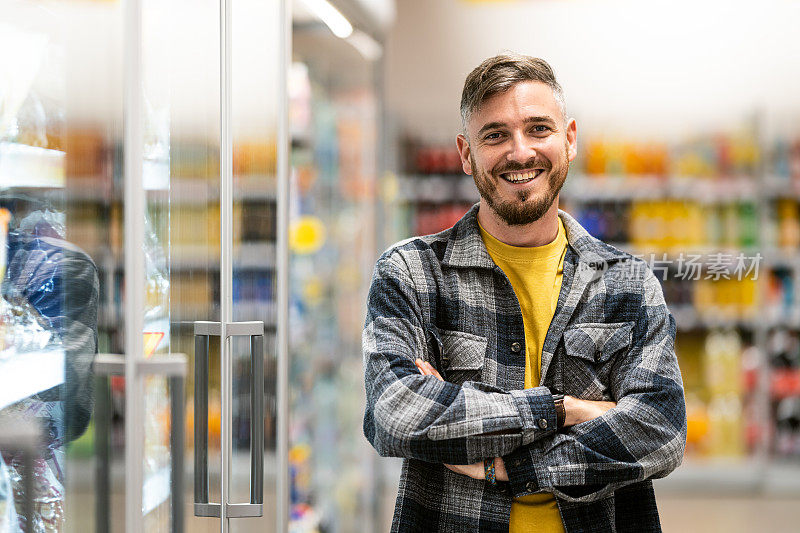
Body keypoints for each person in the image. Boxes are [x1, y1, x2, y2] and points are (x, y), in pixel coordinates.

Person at [362, 53, 686, 532]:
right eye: (495, 135)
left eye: (539, 129)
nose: (520, 152)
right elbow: (397, 416)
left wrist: (508, 464)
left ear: (569, 139)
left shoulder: (627, 282)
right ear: (466, 152)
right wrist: (561, 409)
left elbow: (660, 430)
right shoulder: (412, 274)